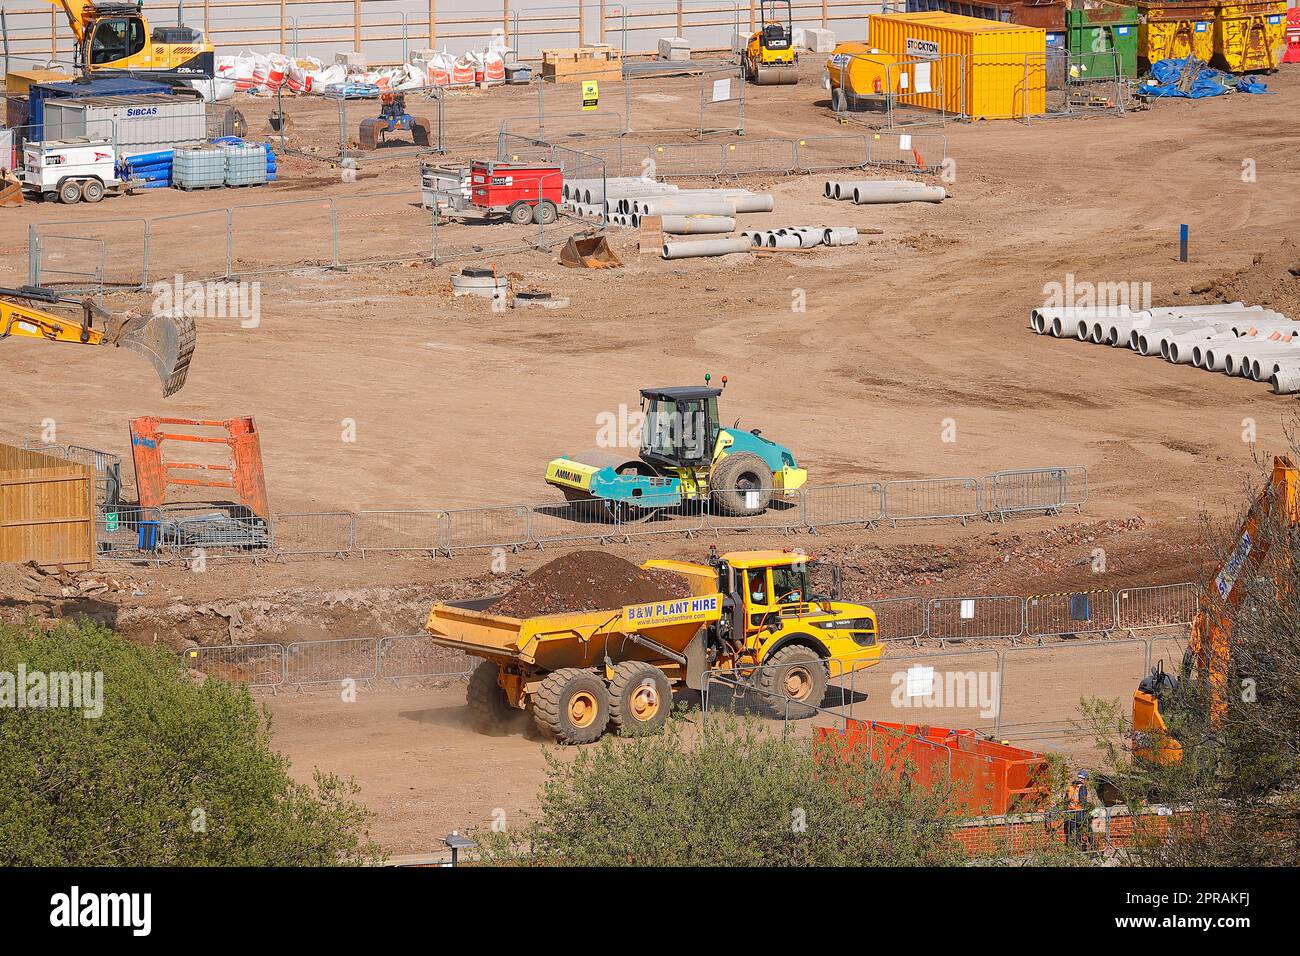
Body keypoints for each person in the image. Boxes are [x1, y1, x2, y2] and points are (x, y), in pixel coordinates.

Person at [1063, 770, 1094, 851]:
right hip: (1080, 812)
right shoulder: (1082, 787)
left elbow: (1065, 800)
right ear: (1084, 779)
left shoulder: (1070, 787)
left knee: (1073, 833)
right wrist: (1089, 808)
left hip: (1070, 813)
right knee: (1088, 830)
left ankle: (1072, 852)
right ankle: (1094, 849)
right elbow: (1082, 801)